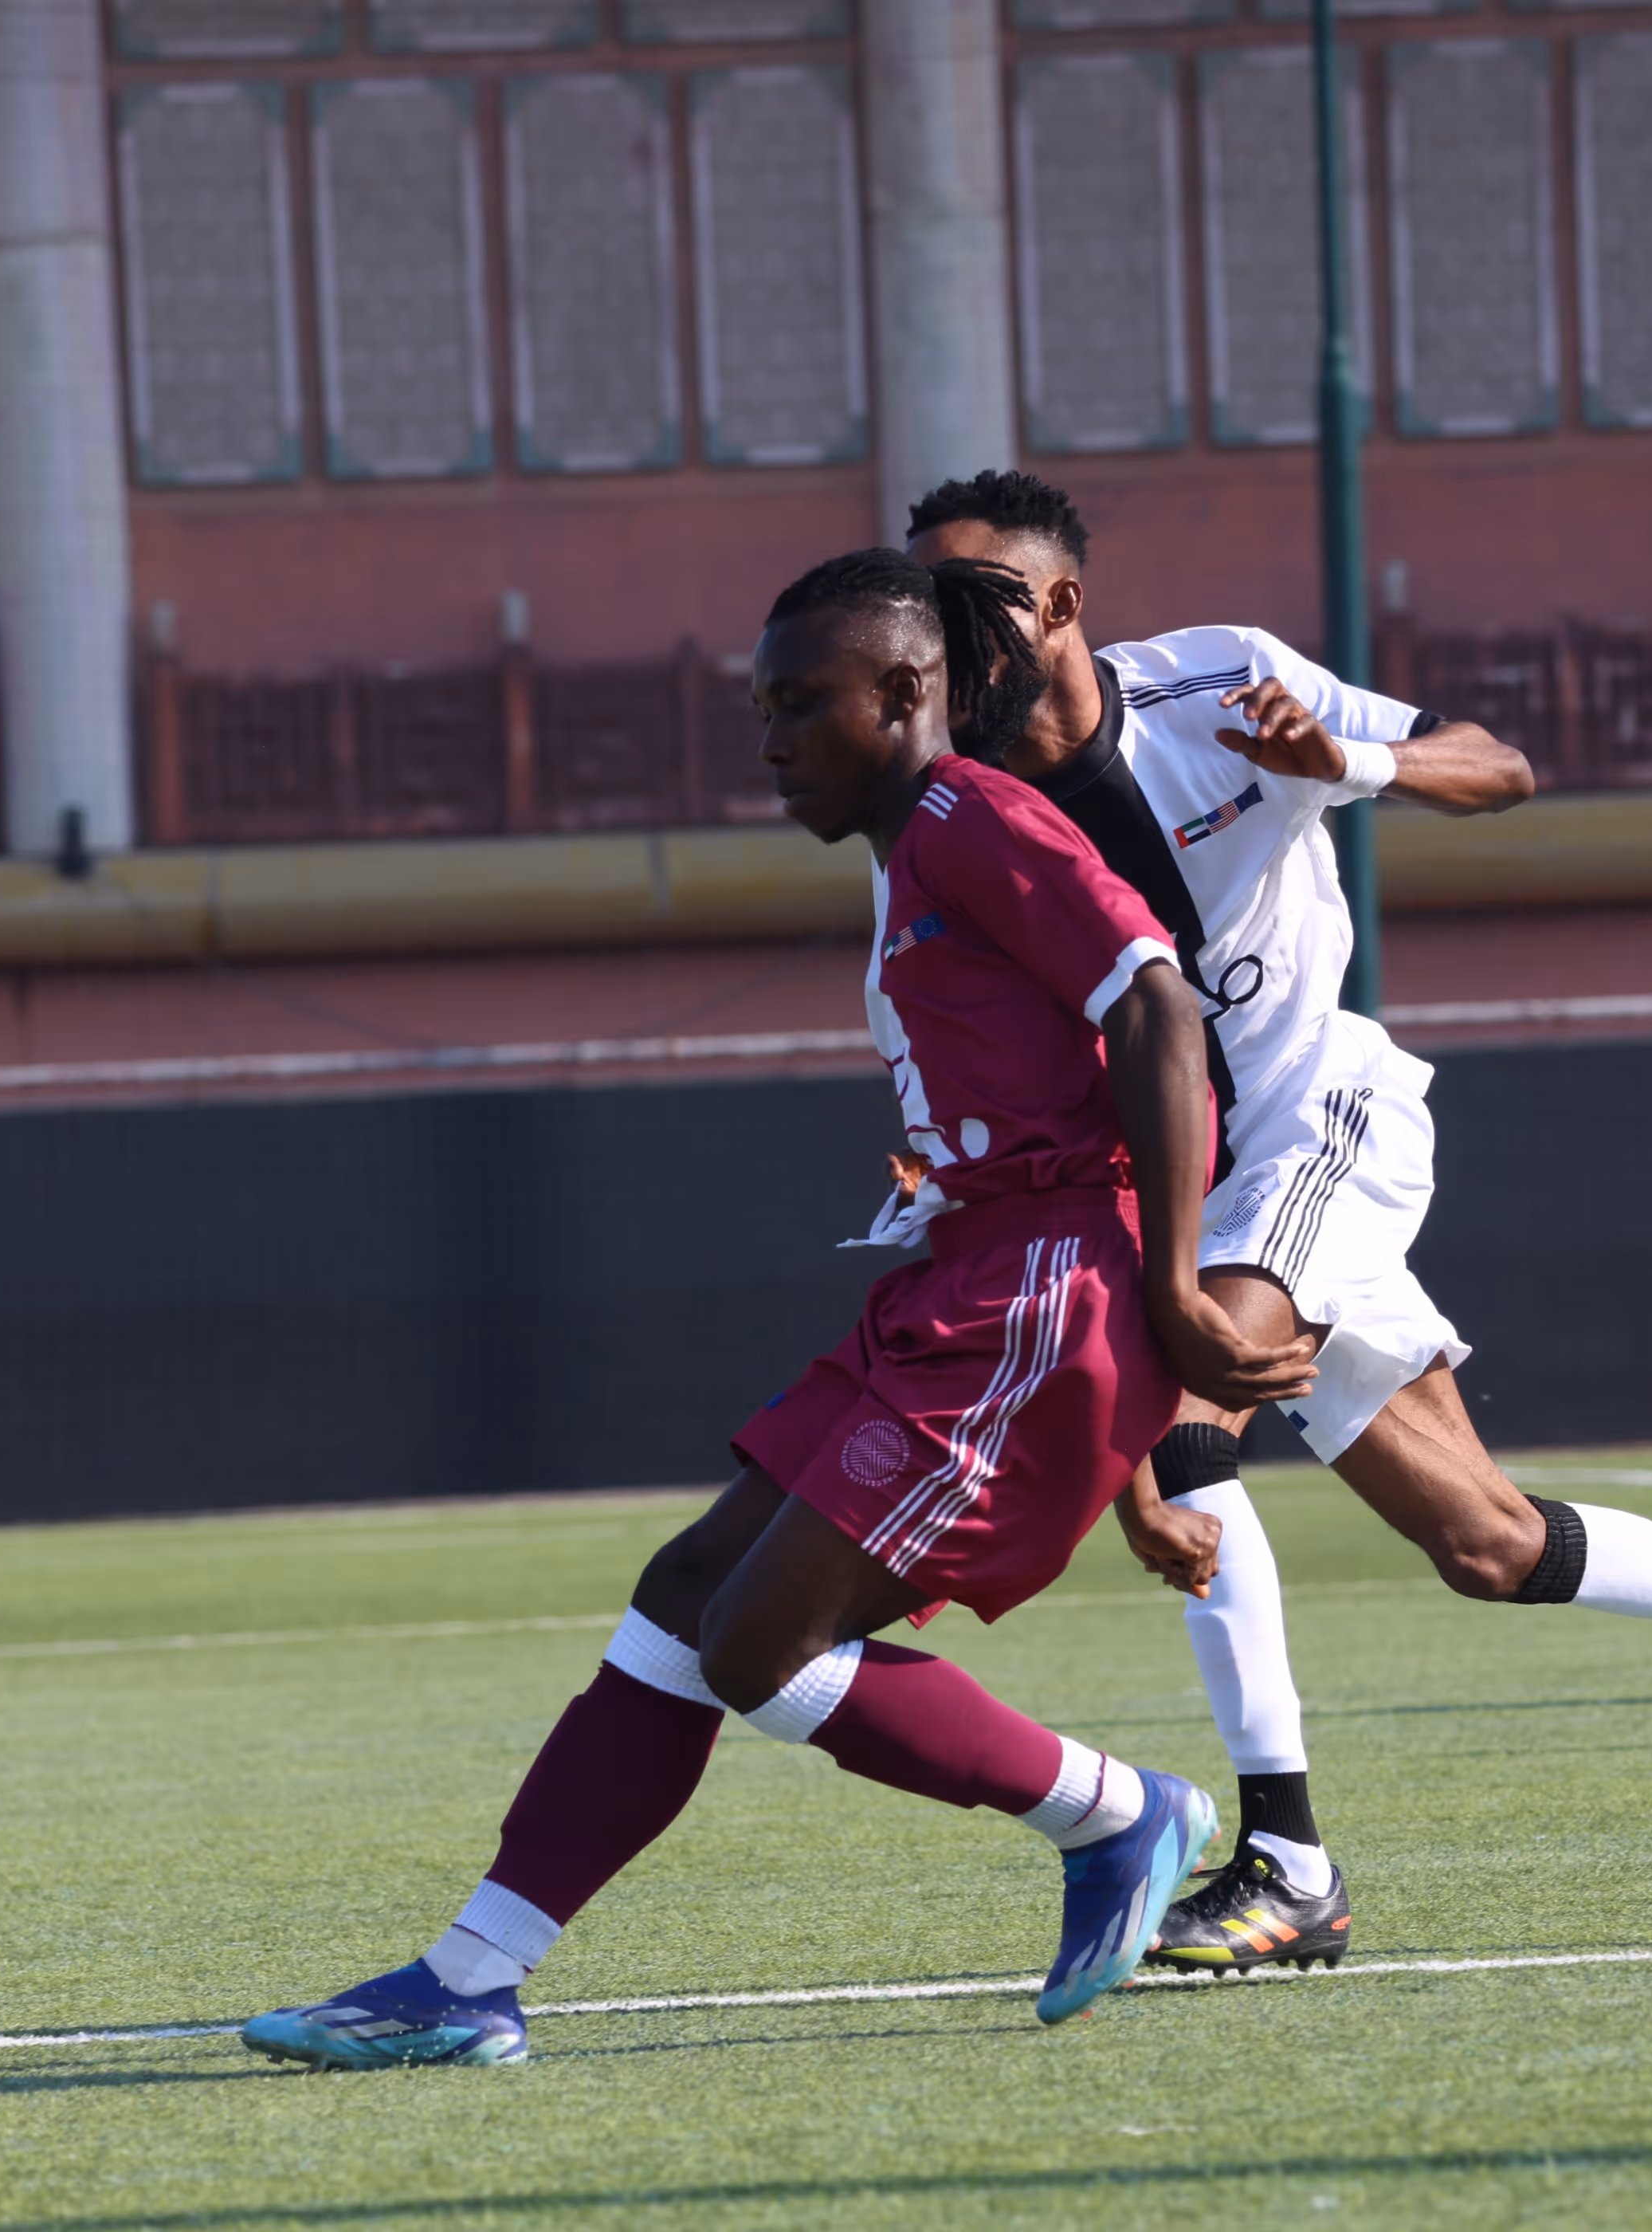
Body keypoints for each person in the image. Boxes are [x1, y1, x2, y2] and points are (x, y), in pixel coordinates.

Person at [241, 548, 1316, 2066]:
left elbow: (1154, 1007)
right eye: (762, 708)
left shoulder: (969, 817)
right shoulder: (914, 850)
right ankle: (471, 1976)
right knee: (687, 1595)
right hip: (969, 1276)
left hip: (1040, 1291)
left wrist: (1171, 1294)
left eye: (802, 704)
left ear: (903, 693)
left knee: (757, 1645)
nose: (771, 739)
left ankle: (1118, 1818)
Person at [907, 470, 1652, 1977]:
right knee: (1489, 1543)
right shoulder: (962, 803)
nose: (945, 635)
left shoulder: (1224, 683)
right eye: (925, 608)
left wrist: (1346, 755)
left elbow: (1499, 767)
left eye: (976, 600)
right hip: (1203, 1181)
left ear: (1064, 606)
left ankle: (1286, 1864)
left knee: (1192, 1397)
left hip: (1322, 1111)